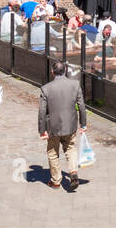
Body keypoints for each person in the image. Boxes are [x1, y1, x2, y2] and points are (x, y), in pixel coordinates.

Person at [38, 61, 88, 190]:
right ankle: (73, 172)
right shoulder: (75, 85)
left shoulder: (46, 88)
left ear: (52, 72)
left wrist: (42, 130)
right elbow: (82, 106)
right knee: (70, 148)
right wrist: (83, 124)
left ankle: (56, 181)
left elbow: (42, 111)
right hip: (70, 124)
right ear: (65, 70)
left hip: (53, 127)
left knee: (53, 152)